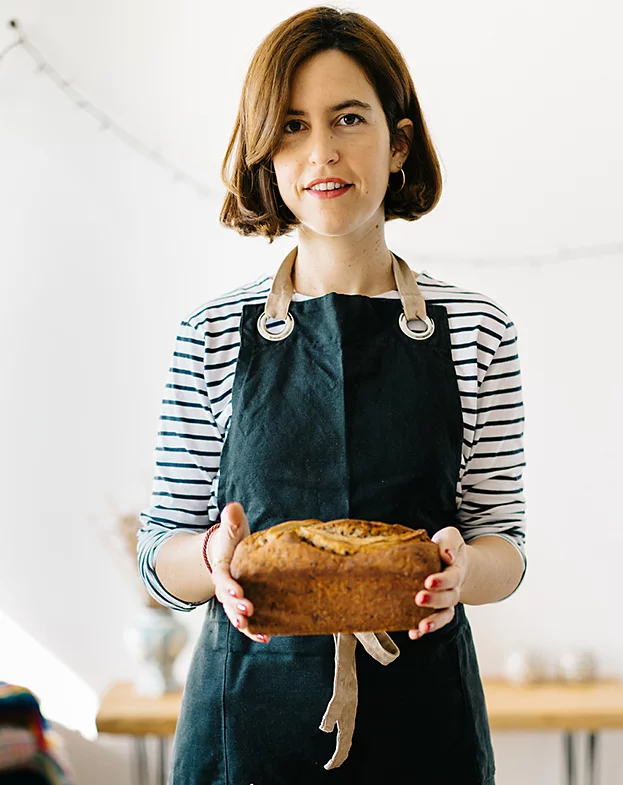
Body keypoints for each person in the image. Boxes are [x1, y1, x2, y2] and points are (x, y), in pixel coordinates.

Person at [137, 6, 527, 784]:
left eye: (349, 117)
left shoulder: (477, 329)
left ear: (399, 141)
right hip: (247, 730)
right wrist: (216, 556)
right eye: (289, 125)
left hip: (426, 732)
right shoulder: (210, 332)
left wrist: (460, 574)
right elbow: (159, 554)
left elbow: (504, 545)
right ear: (264, 153)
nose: (321, 150)